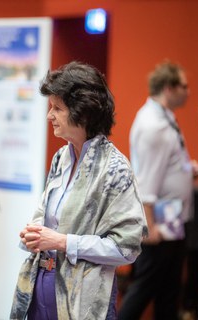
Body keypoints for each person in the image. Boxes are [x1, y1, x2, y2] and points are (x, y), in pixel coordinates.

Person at [10, 61, 148, 320]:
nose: (49, 115)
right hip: (39, 289)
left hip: (83, 302)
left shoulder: (115, 168)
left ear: (83, 113)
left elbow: (127, 248)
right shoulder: (61, 157)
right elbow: (45, 216)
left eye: (57, 108)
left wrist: (62, 242)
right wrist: (34, 233)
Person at [119, 61, 198, 320]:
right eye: (184, 86)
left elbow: (164, 166)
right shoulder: (154, 125)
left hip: (173, 218)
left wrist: (187, 170)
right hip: (160, 223)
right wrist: (149, 225)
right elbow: (146, 179)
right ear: (169, 88)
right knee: (145, 287)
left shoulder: (164, 118)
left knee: (169, 290)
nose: (189, 92)